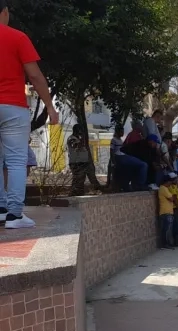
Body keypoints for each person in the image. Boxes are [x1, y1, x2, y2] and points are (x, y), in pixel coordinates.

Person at [0, 0, 58, 228]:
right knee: (15, 160)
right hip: (13, 107)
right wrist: (50, 107)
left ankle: (1, 208)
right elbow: (35, 76)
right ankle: (14, 215)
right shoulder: (17, 37)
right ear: (5, 12)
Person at [67, 124, 102, 196]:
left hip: (83, 163)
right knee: (77, 180)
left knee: (82, 180)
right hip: (76, 163)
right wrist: (81, 140)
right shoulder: (72, 138)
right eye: (80, 130)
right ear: (76, 130)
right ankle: (74, 193)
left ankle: (80, 193)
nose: (81, 132)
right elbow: (75, 146)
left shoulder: (79, 138)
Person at [111, 125, 148, 192]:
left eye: (123, 131)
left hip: (123, 155)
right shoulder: (114, 140)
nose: (122, 133)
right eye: (121, 131)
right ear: (117, 132)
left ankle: (128, 186)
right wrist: (113, 161)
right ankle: (140, 184)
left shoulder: (121, 140)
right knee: (143, 165)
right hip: (120, 156)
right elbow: (112, 151)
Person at [158, 174, 176, 249]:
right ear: (167, 182)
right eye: (170, 182)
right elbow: (172, 198)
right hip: (166, 212)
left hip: (167, 211)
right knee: (166, 229)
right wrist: (174, 193)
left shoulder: (164, 188)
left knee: (167, 228)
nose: (171, 184)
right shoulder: (163, 188)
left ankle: (167, 244)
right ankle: (165, 244)